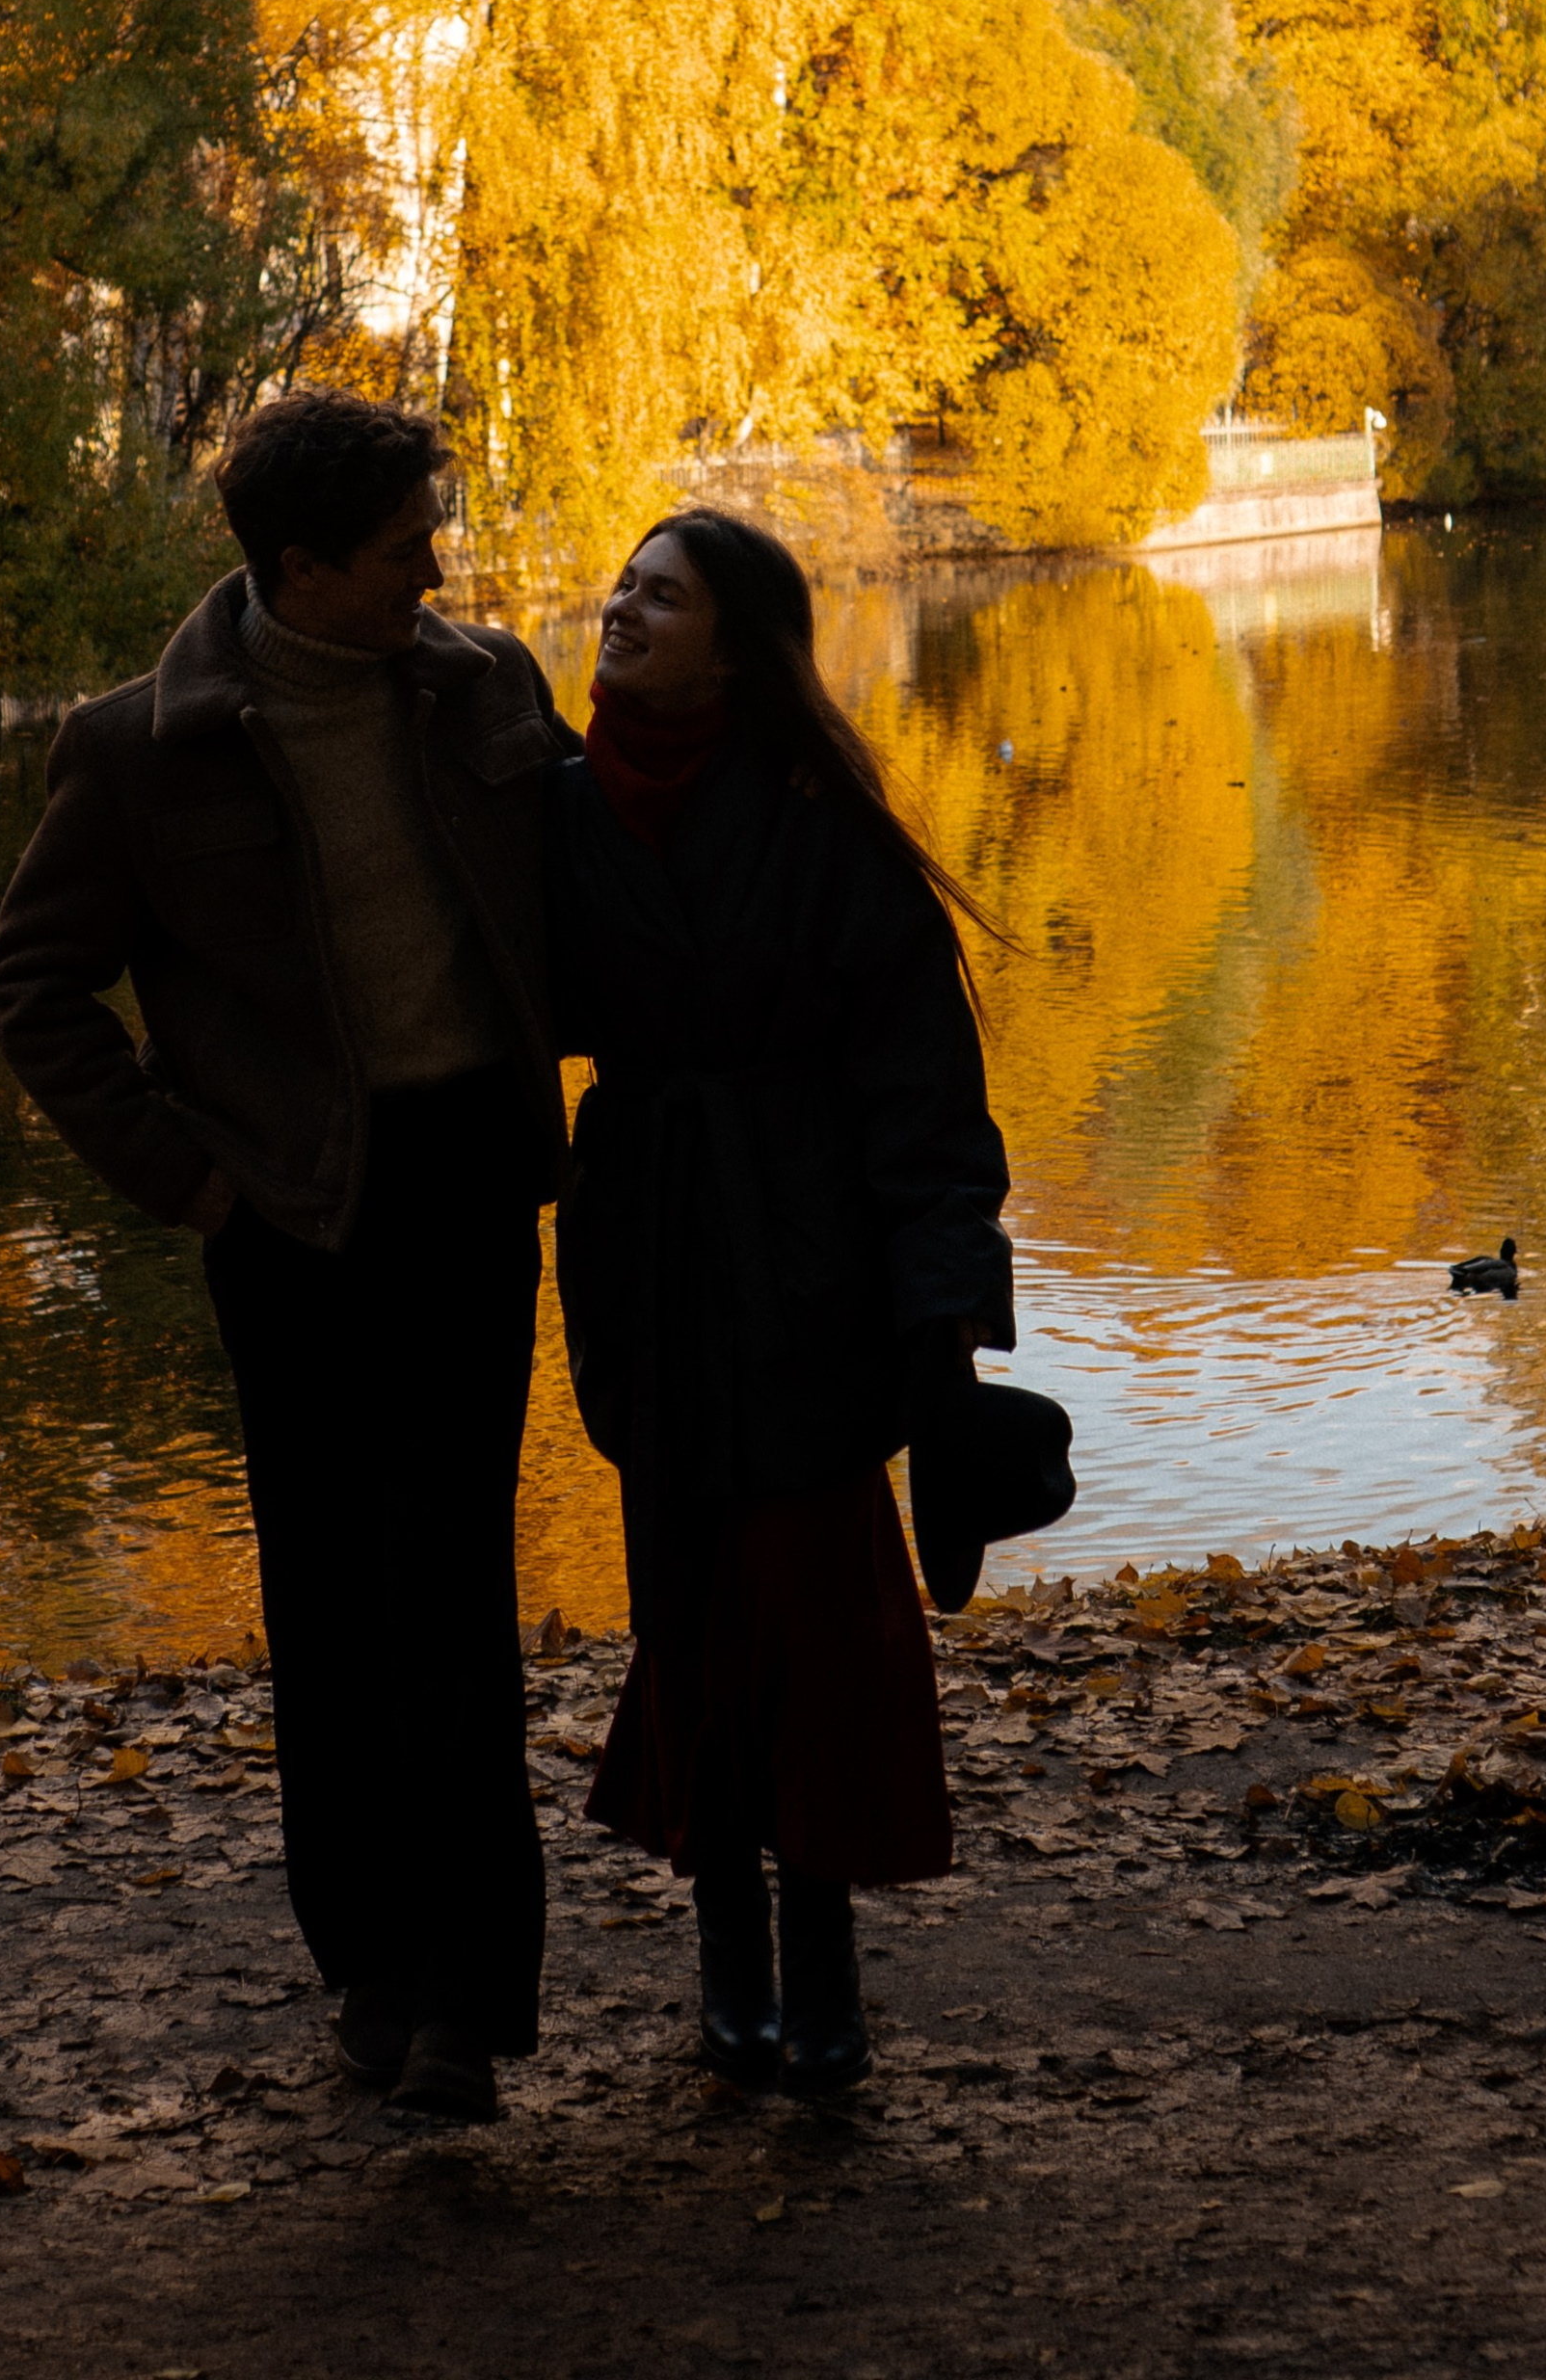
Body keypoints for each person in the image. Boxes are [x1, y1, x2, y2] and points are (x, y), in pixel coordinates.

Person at [0, 391, 574, 2122]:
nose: (437, 570)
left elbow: (587, 891)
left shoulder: (485, 685)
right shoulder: (137, 752)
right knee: (327, 1597)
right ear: (300, 567)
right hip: (289, 1217)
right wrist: (188, 1183)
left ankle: (476, 1995)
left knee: (456, 1584)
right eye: (404, 549)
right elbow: (37, 992)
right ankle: (373, 1970)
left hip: (468, 1187)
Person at [548, 505, 1022, 2096]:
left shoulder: (824, 821)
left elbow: (926, 1104)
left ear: (739, 643)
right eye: (624, 583)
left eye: (660, 594)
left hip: (811, 1268)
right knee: (686, 1612)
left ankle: (821, 1964)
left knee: (817, 1626)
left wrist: (945, 1327)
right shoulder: (560, 808)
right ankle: (726, 1963)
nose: (621, 607)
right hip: (653, 1268)